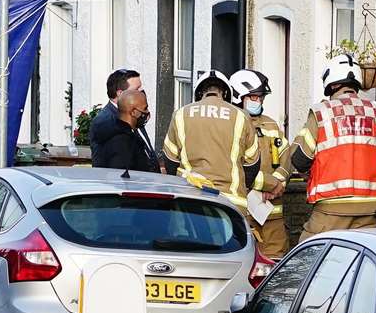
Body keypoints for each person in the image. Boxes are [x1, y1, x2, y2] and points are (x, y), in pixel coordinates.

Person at [286, 54, 376, 241]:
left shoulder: (322, 112)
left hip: (331, 207)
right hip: (371, 209)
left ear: (332, 84)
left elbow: (300, 158)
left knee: (308, 258)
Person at [160, 70, 261, 211]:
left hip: (190, 199)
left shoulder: (180, 114)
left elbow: (170, 161)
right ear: (226, 93)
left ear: (199, 93)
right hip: (231, 202)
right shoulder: (241, 116)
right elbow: (252, 164)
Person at [228, 68, 291, 258]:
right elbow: (233, 165)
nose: (259, 102)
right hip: (242, 214)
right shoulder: (230, 124)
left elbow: (286, 156)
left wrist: (277, 184)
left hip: (272, 218)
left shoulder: (270, 125)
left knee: (276, 265)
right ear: (240, 95)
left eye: (261, 97)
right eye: (254, 97)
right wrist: (267, 184)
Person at [92, 88, 159, 172]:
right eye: (145, 108)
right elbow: (121, 178)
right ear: (134, 112)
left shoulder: (127, 134)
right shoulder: (121, 141)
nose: (147, 112)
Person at [89, 69, 142, 165]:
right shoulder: (106, 121)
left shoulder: (133, 113)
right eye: (136, 90)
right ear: (120, 93)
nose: (141, 93)